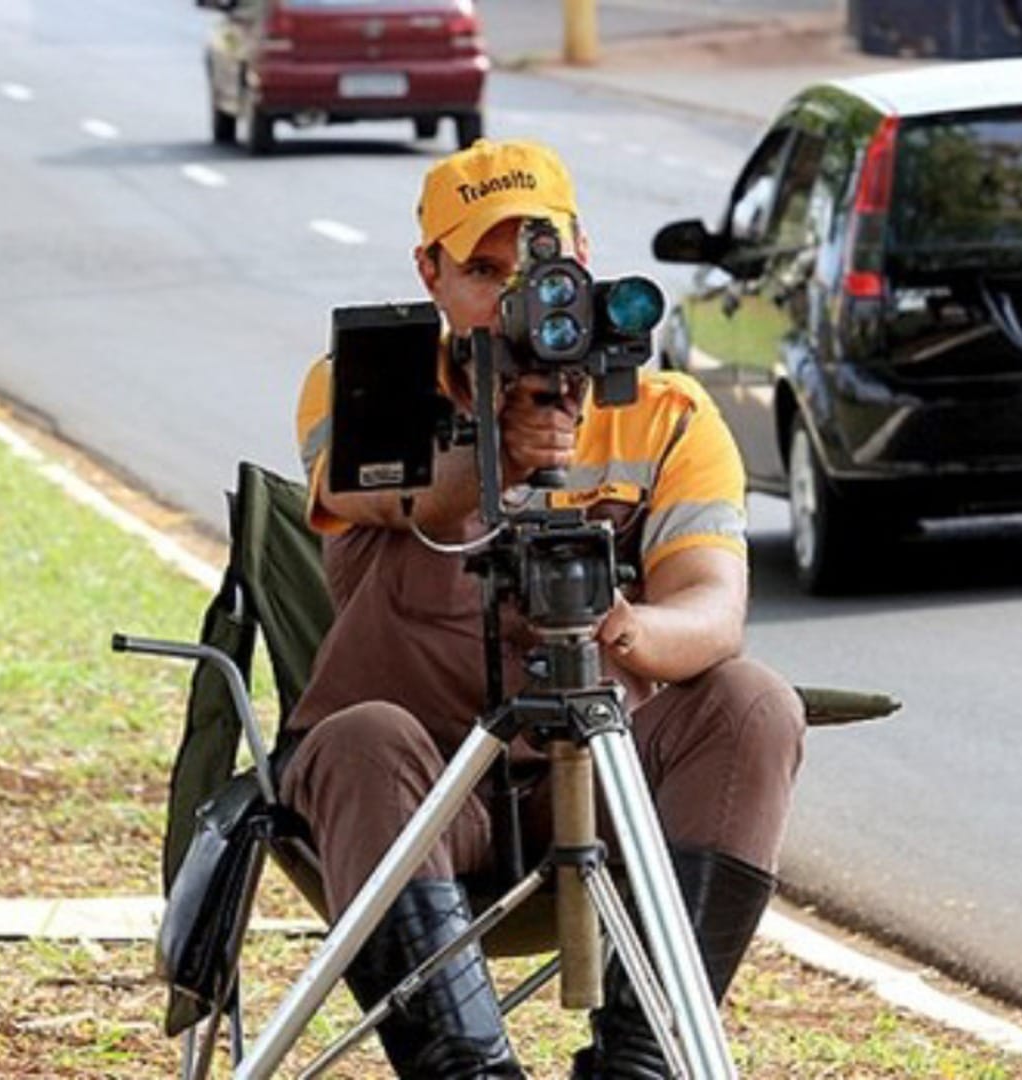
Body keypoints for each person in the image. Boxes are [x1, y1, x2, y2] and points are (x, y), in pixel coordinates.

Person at [282, 139, 806, 1079]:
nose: (516, 293)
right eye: (484, 271)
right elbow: (390, 498)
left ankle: (639, 1064)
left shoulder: (666, 413)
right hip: (419, 790)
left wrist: (630, 632)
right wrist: (502, 450)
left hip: (595, 767)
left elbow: (713, 613)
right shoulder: (367, 377)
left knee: (754, 701)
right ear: (431, 274)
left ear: (584, 256)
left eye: (538, 262)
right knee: (361, 738)